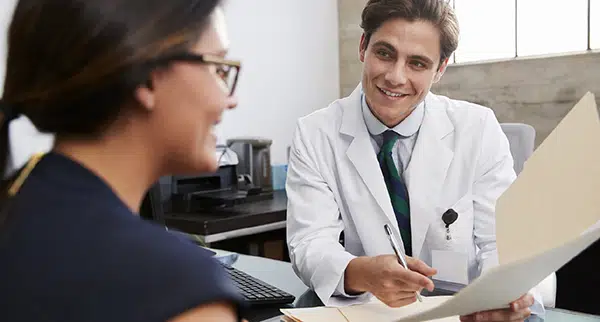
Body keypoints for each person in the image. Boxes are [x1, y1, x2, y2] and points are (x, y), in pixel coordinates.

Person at [286, 0, 547, 321]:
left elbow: (502, 240)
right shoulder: (315, 133)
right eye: (384, 53)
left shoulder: (477, 128)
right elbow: (310, 241)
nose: (395, 77)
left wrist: (497, 295)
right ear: (363, 47)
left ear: (440, 69)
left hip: (460, 309)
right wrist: (357, 272)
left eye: (418, 63)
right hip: (369, 310)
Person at [0, 0, 245, 321]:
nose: (229, 99)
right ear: (146, 78)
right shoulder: (176, 286)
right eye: (219, 68)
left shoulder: (15, 207)